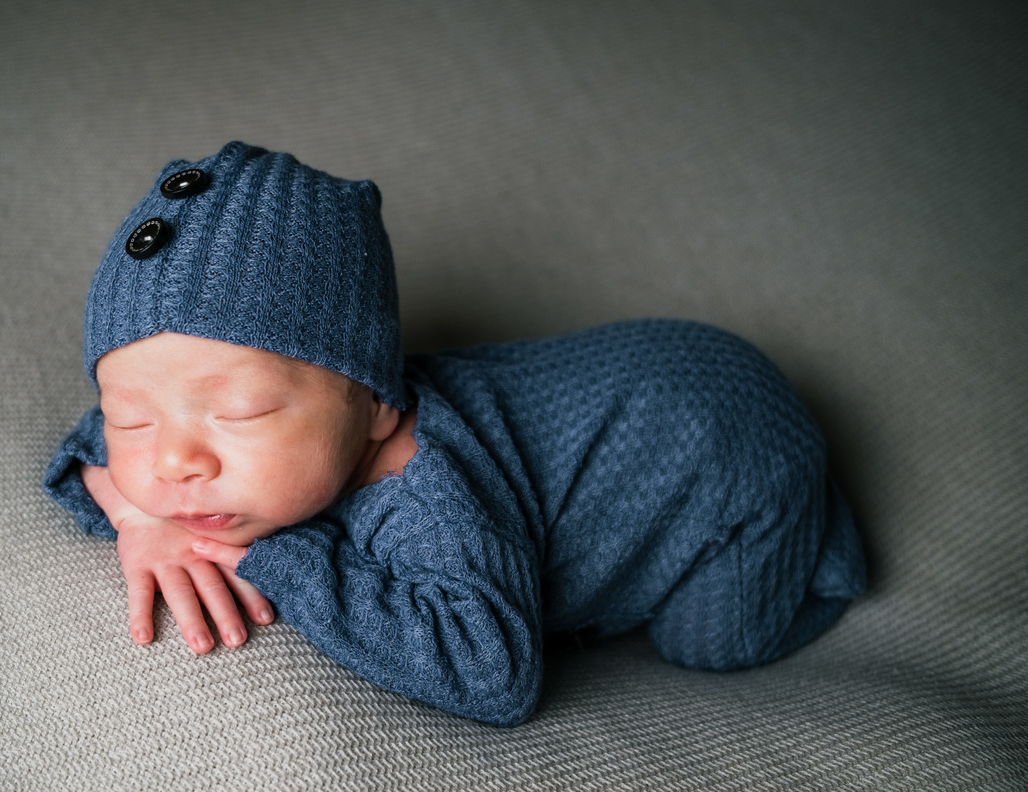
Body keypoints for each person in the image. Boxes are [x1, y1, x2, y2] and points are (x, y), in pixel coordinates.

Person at [44, 141, 865, 727]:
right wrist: (138, 516)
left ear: (374, 400)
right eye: (135, 418)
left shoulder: (429, 501)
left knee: (712, 642)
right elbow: (88, 445)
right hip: (649, 382)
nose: (174, 460)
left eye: (241, 413)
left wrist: (276, 557)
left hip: (729, 441)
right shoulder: (202, 444)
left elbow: (496, 678)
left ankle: (812, 544)